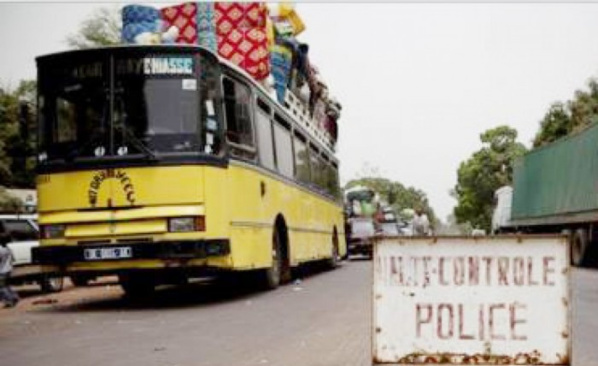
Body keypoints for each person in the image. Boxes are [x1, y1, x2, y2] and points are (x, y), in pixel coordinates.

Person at [0, 236, 19, 308]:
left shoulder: (0, 249)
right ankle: (14, 297)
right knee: (7, 286)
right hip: (9, 270)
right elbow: (13, 259)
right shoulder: (9, 249)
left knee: (1, 288)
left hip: (2, 271)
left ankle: (9, 300)